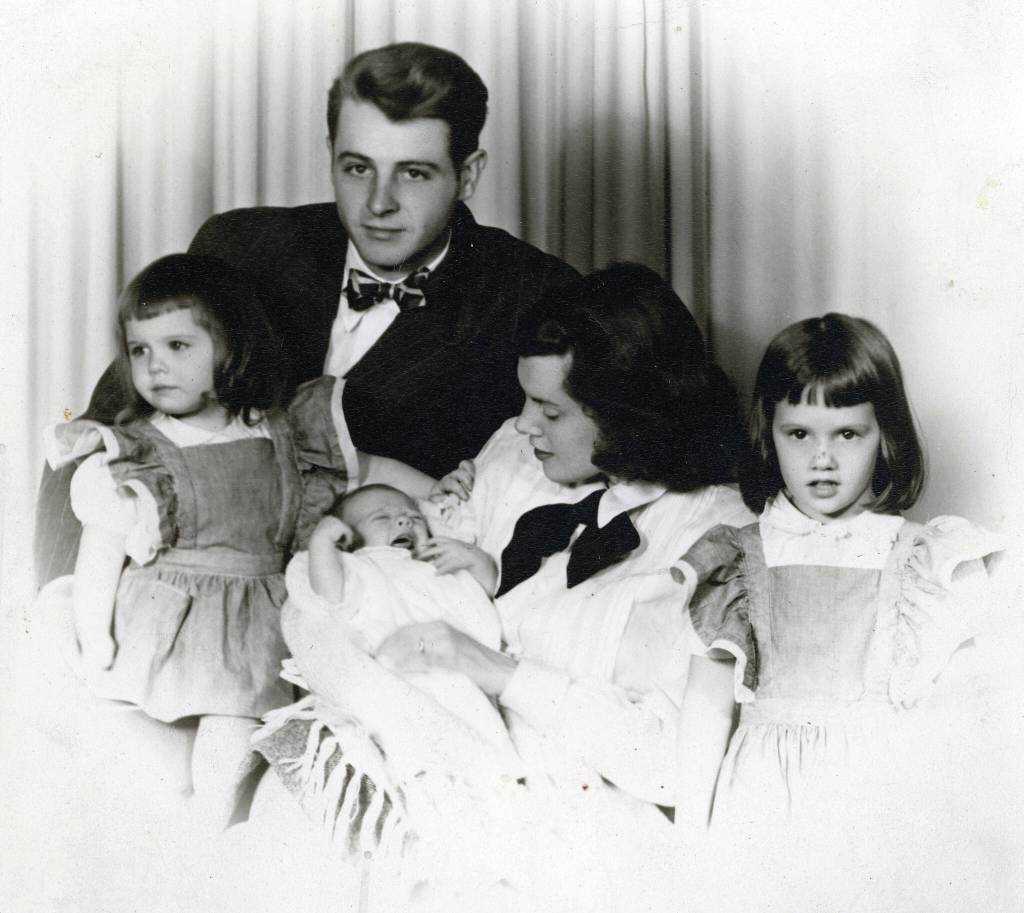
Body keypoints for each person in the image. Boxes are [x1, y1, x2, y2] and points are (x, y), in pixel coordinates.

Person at [246, 263, 754, 912]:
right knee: (287, 836)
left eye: (548, 410)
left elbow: (664, 756)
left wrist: (488, 666)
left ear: (629, 413)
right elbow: (408, 562)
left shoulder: (712, 538)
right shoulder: (517, 460)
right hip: (424, 727)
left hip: (565, 798)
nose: (522, 425)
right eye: (524, 401)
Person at [34, 41, 578, 586]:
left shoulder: (532, 294)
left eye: (413, 173)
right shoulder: (239, 247)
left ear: (468, 174)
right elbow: (106, 434)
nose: (378, 204)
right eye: (358, 167)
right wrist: (60, 624)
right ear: (331, 152)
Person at [38, 254, 432, 830]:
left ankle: (211, 827)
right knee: (146, 742)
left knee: (233, 729)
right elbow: (102, 546)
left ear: (231, 347)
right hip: (170, 615)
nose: (155, 367)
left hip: (260, 615)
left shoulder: (283, 429)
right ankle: (178, 821)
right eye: (140, 350)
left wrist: (438, 491)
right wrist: (95, 637)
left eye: (178, 347)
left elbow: (368, 468)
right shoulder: (140, 449)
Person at [672, 313, 1007, 910]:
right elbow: (704, 712)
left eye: (848, 434)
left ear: (887, 437)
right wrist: (690, 847)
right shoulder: (738, 557)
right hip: (762, 807)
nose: (821, 459)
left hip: (881, 807)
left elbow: (962, 722)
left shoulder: (923, 560)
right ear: (767, 433)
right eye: (799, 434)